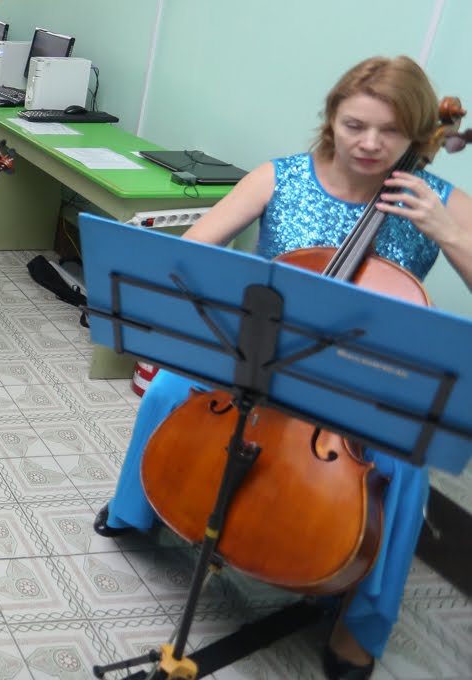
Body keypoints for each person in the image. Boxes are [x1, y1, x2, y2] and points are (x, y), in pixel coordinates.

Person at [94, 55, 472, 680]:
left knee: (407, 463)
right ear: (331, 117)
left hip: (361, 378)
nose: (370, 144)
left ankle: (361, 624)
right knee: (166, 390)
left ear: (417, 136)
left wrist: (448, 231)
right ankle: (137, 509)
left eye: (392, 132)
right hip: (261, 352)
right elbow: (193, 252)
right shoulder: (281, 176)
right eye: (355, 125)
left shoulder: (440, 201)